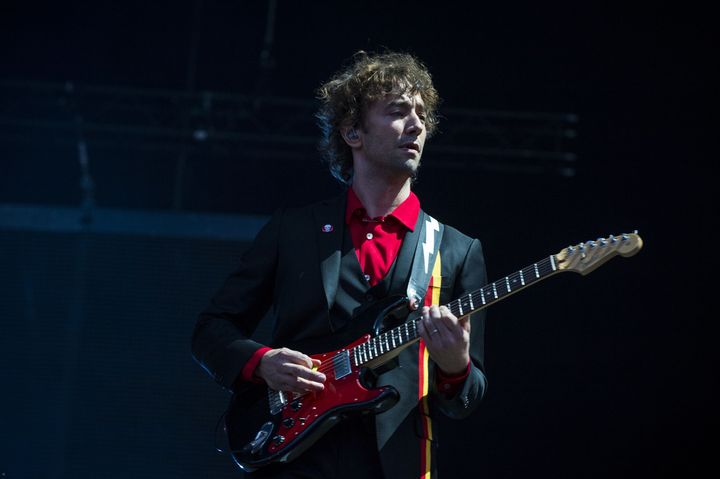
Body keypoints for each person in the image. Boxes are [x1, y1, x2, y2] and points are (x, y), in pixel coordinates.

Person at [192, 51, 488, 478]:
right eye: (398, 111)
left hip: (398, 464)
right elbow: (211, 329)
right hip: (292, 457)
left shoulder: (455, 250)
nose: (418, 124)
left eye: (422, 113)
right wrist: (262, 363)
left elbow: (467, 397)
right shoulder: (293, 230)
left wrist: (456, 364)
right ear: (353, 131)